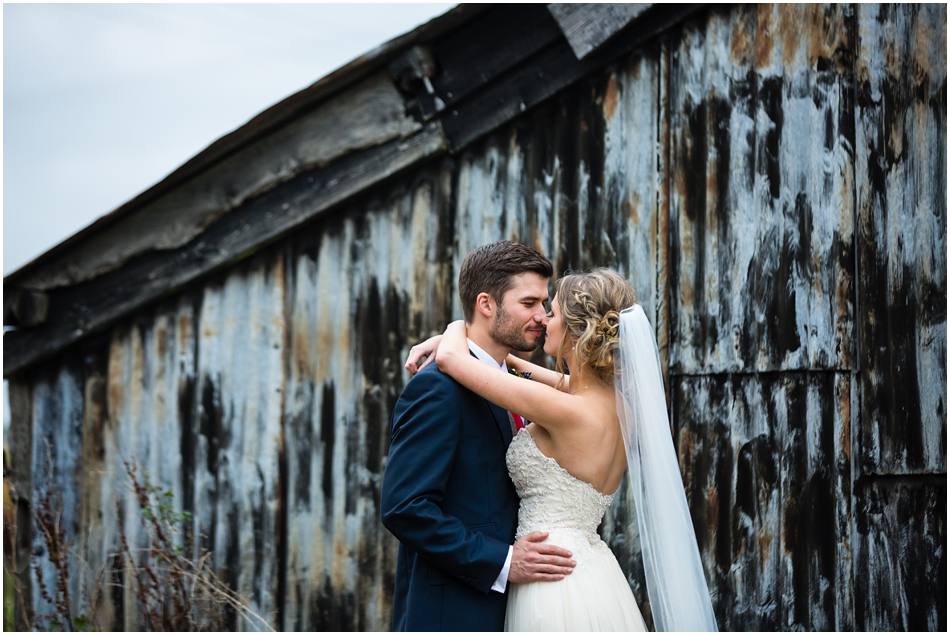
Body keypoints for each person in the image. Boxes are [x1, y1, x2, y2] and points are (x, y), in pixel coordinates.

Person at [406, 268, 718, 631]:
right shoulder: (617, 406)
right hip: (593, 572)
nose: (543, 320)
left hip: (550, 580)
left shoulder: (565, 410)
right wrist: (498, 355)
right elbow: (538, 377)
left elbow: (452, 362)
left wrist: (458, 328)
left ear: (576, 331)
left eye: (551, 312)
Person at [380, 241, 577, 632]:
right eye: (529, 303)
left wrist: (454, 333)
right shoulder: (437, 388)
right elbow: (405, 507)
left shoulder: (514, 382)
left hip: (523, 608)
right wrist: (503, 561)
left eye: (544, 304)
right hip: (454, 611)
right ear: (486, 304)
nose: (542, 316)